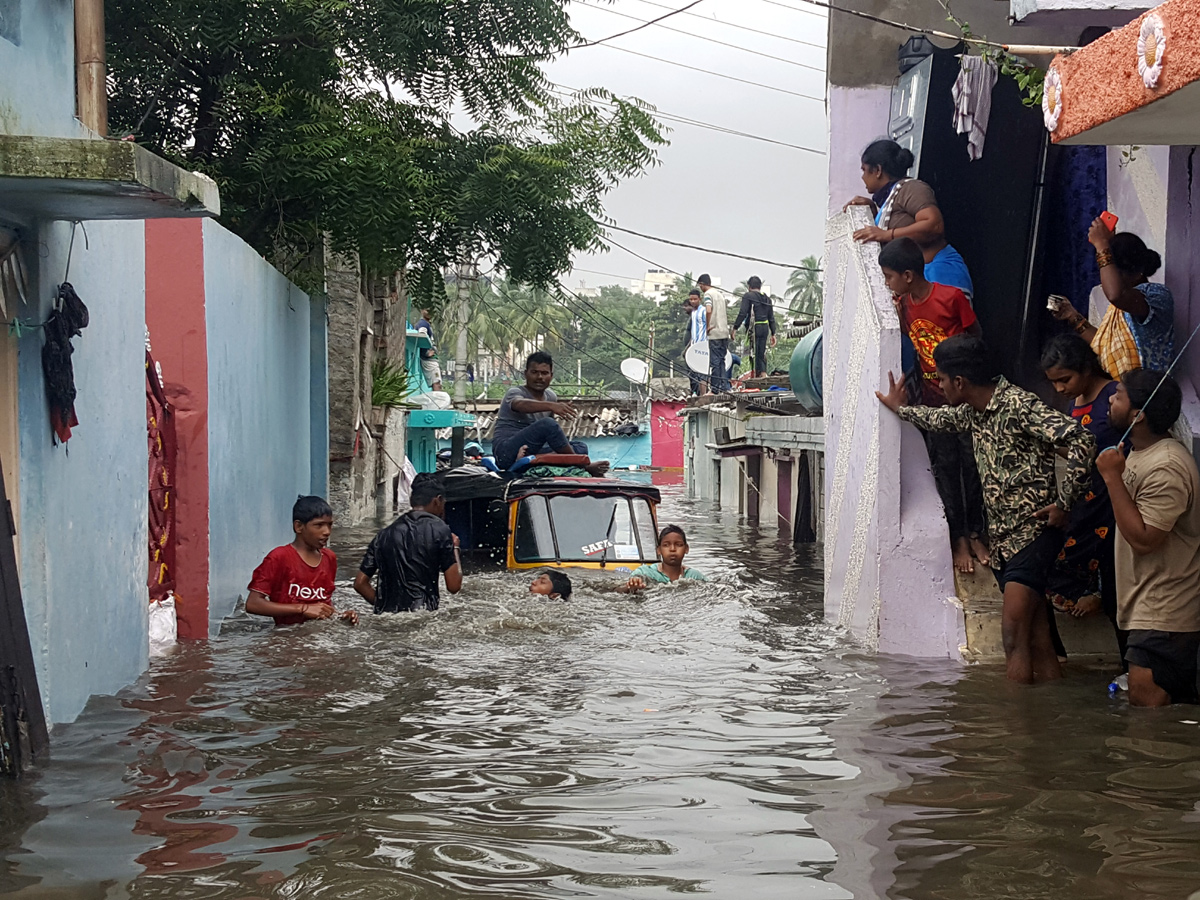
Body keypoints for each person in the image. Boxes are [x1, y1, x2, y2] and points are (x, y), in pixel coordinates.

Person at [876, 334, 1096, 684]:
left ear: (960, 382)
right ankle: (1052, 720)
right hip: (1005, 540)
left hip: (1033, 534)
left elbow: (1081, 439)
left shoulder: (1018, 405)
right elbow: (938, 420)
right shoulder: (973, 412)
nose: (940, 386)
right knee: (1038, 639)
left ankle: (1012, 728)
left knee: (1012, 637)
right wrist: (899, 409)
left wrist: (1065, 502)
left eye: (942, 380)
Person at [879, 238, 987, 574]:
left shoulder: (950, 297)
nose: (887, 284)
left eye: (889, 277)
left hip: (963, 400)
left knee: (973, 466)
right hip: (932, 401)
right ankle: (957, 539)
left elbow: (975, 339)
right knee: (945, 467)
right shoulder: (904, 304)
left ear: (908, 275)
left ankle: (976, 533)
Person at [1097, 370, 1200, 706]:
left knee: (1149, 712)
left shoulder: (1166, 465)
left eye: (1119, 395)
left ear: (1137, 415)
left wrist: (1112, 478)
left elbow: (1144, 539)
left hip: (1165, 607)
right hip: (1148, 604)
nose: (1110, 399)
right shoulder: (1139, 453)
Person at [1039, 334, 1127, 666]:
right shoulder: (1075, 401)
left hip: (1110, 496)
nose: (1060, 389)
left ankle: (1099, 598)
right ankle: (1058, 654)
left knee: (1111, 573)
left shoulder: (1114, 397)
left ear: (1086, 369)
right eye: (1055, 382)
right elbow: (1078, 449)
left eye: (1065, 379)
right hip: (1083, 495)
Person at [846, 139, 973, 298]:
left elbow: (933, 225)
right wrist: (872, 212)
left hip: (940, 277)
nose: (863, 177)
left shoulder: (911, 188)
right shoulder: (890, 199)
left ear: (878, 170)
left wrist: (887, 234)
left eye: (864, 170)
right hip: (920, 286)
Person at [1050, 224, 1173, 378]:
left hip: (1145, 395)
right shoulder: (1121, 306)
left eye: (1114, 273)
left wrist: (1101, 245)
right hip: (1120, 392)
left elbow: (1115, 294)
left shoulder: (1157, 296)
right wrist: (1071, 315)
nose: (1108, 279)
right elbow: (1104, 345)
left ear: (1136, 274)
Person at [353, 473, 462, 613]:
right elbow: (454, 586)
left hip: (386, 616)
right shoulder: (440, 530)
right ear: (438, 500)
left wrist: (382, 606)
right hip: (423, 615)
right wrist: (455, 547)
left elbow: (360, 584)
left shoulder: (384, 534)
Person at [246, 495, 358, 626]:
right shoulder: (279, 557)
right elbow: (253, 604)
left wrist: (340, 616)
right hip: (287, 637)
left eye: (330, 525)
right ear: (298, 526)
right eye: (319, 525)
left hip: (320, 637)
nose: (327, 532)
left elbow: (323, 605)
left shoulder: (329, 558)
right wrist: (303, 609)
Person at [491, 352, 608, 475]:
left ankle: (534, 458)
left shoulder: (551, 396)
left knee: (580, 447)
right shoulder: (515, 392)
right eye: (534, 372)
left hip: (531, 449)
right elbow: (519, 404)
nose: (540, 377)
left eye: (544, 373)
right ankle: (582, 465)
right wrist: (552, 406)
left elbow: (551, 437)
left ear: (551, 376)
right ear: (526, 374)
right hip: (506, 451)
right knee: (548, 424)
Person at [621, 525, 707, 592]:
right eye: (666, 545)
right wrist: (632, 586)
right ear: (659, 550)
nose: (672, 549)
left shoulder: (694, 576)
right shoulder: (645, 572)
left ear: (686, 549)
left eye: (678, 545)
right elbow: (620, 590)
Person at [733, 276, 777, 378]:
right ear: (760, 286)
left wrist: (735, 328)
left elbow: (743, 313)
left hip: (754, 327)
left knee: (753, 351)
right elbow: (771, 317)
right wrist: (773, 333)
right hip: (765, 327)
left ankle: (756, 374)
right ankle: (762, 373)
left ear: (749, 286)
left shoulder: (748, 296)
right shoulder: (767, 299)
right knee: (761, 351)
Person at [700, 274, 731, 393]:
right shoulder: (719, 295)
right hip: (724, 332)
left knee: (715, 362)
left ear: (702, 284)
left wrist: (708, 325)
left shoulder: (708, 294)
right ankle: (724, 386)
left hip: (715, 332)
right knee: (722, 360)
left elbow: (708, 310)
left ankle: (715, 389)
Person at [684, 288, 708, 395]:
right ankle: (697, 394)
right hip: (694, 346)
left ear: (700, 299)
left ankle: (703, 395)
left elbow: (708, 326)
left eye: (695, 299)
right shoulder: (693, 313)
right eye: (691, 300)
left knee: (702, 373)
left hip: (702, 345)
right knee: (695, 373)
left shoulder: (703, 311)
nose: (693, 301)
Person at [415, 308, 443, 391]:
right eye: (427, 310)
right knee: (436, 382)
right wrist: (426, 353)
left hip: (431, 359)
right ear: (422, 311)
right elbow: (421, 336)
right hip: (428, 360)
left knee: (436, 381)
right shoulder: (423, 324)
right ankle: (438, 402)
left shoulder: (426, 324)